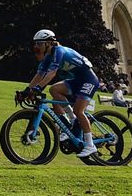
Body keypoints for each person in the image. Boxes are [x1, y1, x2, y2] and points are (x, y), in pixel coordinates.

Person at [17, 29, 100, 158]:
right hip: (77, 80)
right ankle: (71, 121)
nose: (36, 47)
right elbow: (39, 74)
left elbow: (52, 73)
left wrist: (38, 88)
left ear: (49, 43)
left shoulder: (59, 51)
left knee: (79, 111)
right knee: (54, 90)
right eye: (36, 44)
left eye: (39, 44)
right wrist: (27, 90)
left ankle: (90, 145)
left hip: (89, 80)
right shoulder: (48, 57)